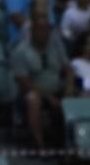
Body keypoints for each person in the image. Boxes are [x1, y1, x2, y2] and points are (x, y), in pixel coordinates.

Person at [11, 15, 75, 148]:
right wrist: (48, 97)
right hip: (33, 92)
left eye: (46, 29)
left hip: (57, 89)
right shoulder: (21, 51)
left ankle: (74, 144)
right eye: (40, 29)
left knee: (81, 94)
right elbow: (24, 82)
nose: (43, 33)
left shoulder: (56, 46)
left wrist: (69, 87)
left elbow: (68, 69)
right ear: (32, 31)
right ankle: (40, 144)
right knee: (33, 99)